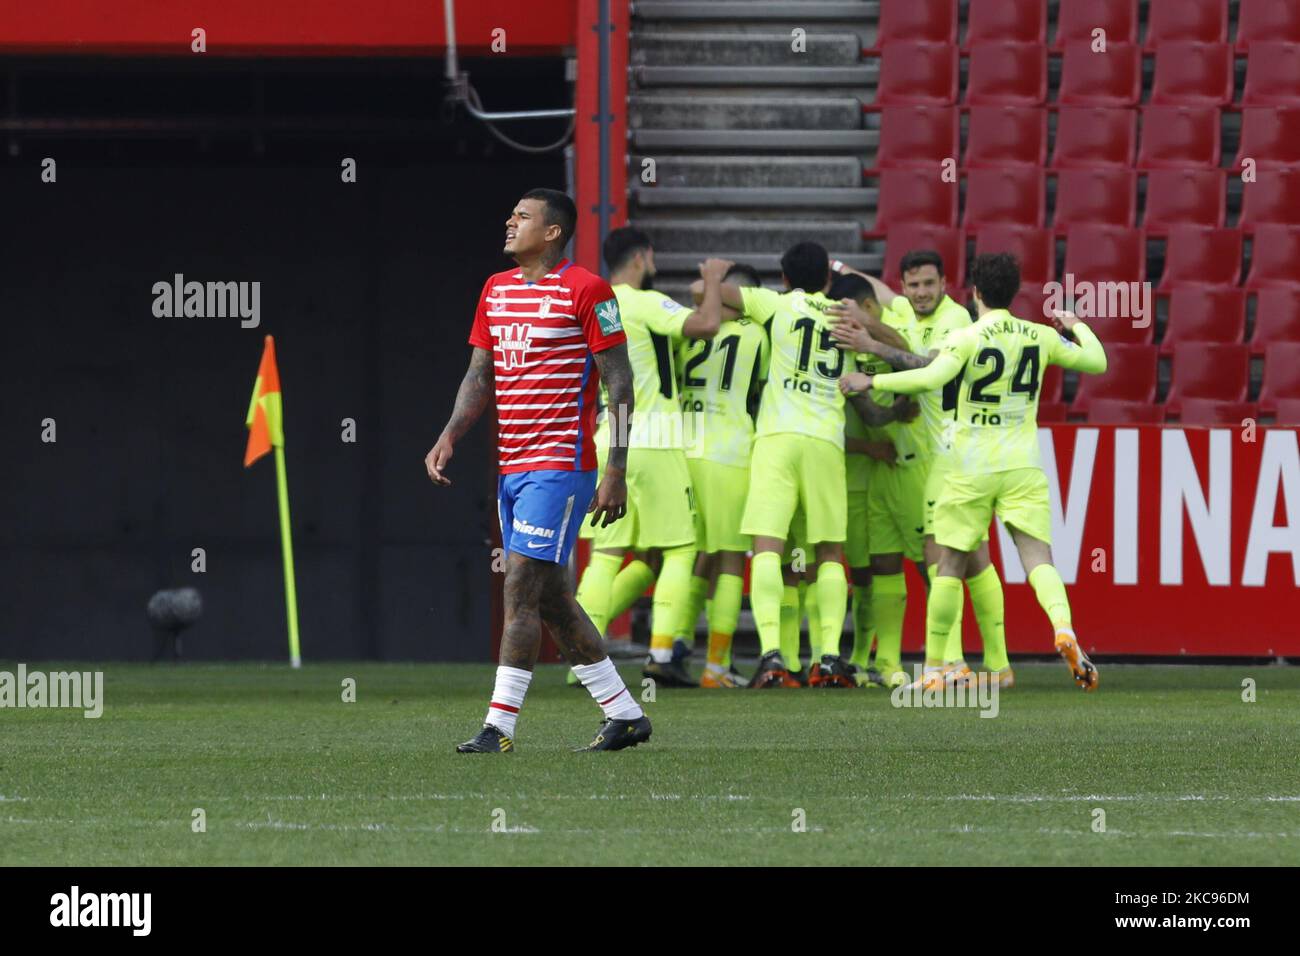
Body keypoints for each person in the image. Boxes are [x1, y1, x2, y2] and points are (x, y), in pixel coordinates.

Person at [426, 188, 651, 753]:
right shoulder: (495, 290)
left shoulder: (588, 290)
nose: (509, 222)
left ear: (552, 232)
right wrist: (451, 434)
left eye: (522, 217)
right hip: (512, 467)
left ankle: (498, 728)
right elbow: (480, 375)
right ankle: (624, 714)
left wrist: (615, 469)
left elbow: (620, 383)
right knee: (551, 599)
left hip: (561, 464)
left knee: (519, 591)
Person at [842, 253, 1107, 691]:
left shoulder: (965, 336)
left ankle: (932, 670)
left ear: (975, 293)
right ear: (1013, 292)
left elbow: (930, 377)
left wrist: (874, 382)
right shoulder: (1039, 335)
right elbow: (1097, 361)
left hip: (970, 464)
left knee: (948, 563)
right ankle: (1064, 629)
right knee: (1037, 558)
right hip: (1022, 463)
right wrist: (1074, 324)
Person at [830, 252, 1013, 690]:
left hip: (939, 460)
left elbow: (931, 367)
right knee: (888, 562)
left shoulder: (955, 320)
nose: (920, 293)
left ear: (946, 283)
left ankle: (965, 662)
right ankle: (891, 663)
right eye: (913, 285)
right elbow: (883, 294)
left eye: (929, 284)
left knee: (954, 560)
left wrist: (872, 347)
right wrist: (839, 271)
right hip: (894, 463)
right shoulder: (900, 310)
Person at [572, 227, 728, 688]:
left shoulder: (595, 306)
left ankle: (583, 660)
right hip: (655, 438)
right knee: (681, 548)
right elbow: (705, 325)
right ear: (641, 258)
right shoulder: (644, 301)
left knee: (607, 552)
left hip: (609, 438)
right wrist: (715, 280)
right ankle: (662, 653)